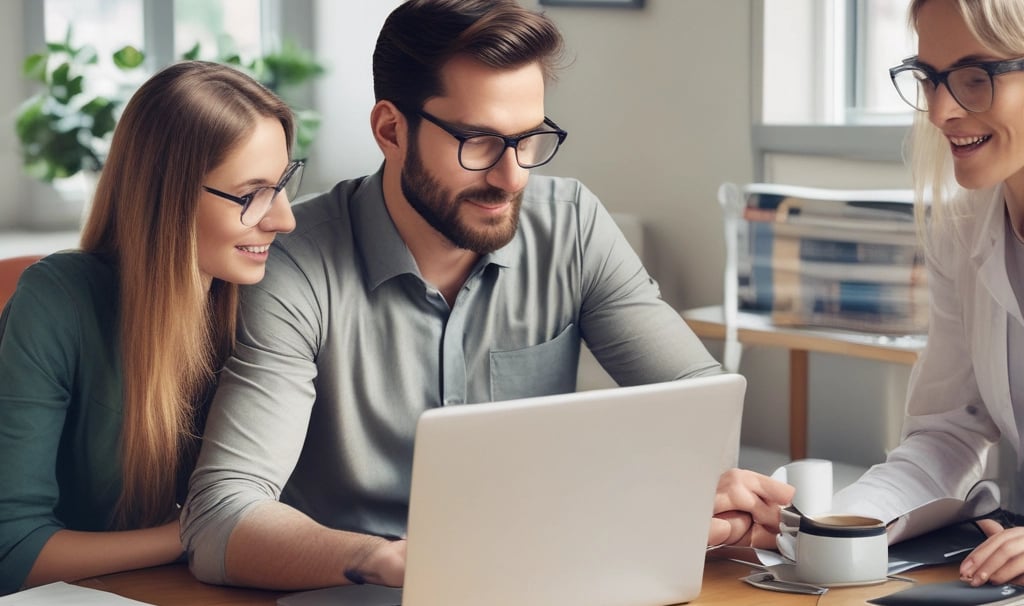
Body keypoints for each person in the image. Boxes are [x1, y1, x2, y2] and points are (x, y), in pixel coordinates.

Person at [181, 0, 793, 590]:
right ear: (391, 130)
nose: (513, 176)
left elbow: (700, 407)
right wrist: (386, 559)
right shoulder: (295, 263)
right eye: (477, 141)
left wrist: (707, 494)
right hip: (354, 591)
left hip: (546, 577)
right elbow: (221, 516)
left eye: (528, 138)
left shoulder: (573, 225)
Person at [0, 60, 301, 595]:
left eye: (281, 185)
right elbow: (13, 549)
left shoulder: (270, 302)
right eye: (252, 194)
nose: (283, 219)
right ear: (169, 196)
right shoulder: (56, 303)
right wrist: (200, 532)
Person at [830, 0, 1024, 589]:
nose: (941, 111)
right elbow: (948, 433)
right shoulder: (961, 230)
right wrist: (841, 523)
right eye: (929, 77)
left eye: (975, 77)